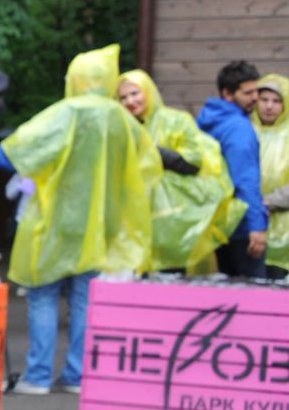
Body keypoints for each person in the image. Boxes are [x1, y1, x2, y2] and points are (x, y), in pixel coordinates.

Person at [0, 44, 156, 395]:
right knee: (84, 299)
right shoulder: (121, 120)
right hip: (99, 225)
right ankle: (77, 376)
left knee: (42, 295)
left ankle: (38, 376)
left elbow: (25, 153)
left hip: (54, 222)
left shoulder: (66, 113)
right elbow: (145, 167)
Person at [115, 69, 235, 274]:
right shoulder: (121, 128)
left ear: (148, 91)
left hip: (174, 223)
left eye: (135, 93)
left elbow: (193, 162)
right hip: (135, 222)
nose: (129, 101)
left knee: (170, 279)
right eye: (123, 97)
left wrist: (152, 152)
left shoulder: (176, 120)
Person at [198, 60, 268, 279]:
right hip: (241, 226)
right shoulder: (239, 128)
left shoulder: (208, 120)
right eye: (248, 93)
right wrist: (256, 227)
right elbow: (245, 180)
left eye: (256, 91)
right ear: (228, 94)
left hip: (216, 224)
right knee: (254, 298)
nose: (255, 98)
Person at [255, 73, 288, 279]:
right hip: (249, 226)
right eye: (264, 100)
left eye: (276, 101)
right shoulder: (245, 131)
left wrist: (271, 201)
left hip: (284, 230)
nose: (269, 106)